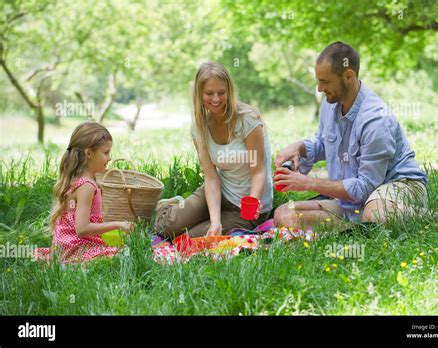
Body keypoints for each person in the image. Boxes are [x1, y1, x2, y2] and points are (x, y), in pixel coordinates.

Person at [274, 42, 428, 229]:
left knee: (377, 214)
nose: (319, 88)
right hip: (354, 198)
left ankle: (426, 217)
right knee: (284, 213)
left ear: (349, 76)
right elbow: (324, 144)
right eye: (318, 80)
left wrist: (308, 183)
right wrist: (300, 147)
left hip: (397, 185)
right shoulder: (330, 104)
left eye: (325, 81)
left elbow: (365, 187)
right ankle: (358, 225)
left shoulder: (376, 119)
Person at [155, 62, 273, 238]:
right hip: (220, 192)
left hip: (248, 204)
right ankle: (170, 207)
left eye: (221, 93)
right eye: (209, 93)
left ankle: (205, 220)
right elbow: (211, 177)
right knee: (167, 229)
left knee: (188, 238)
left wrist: (253, 201)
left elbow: (258, 171)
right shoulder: (199, 128)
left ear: (229, 91)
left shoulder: (248, 120)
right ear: (199, 94)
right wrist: (215, 220)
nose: (216, 99)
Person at [35, 121, 133, 263]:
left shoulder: (82, 179)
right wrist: (119, 225)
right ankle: (71, 262)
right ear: (89, 153)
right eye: (106, 152)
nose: (110, 157)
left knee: (123, 248)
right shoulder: (86, 186)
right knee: (125, 254)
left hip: (68, 244)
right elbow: (82, 228)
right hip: (75, 247)